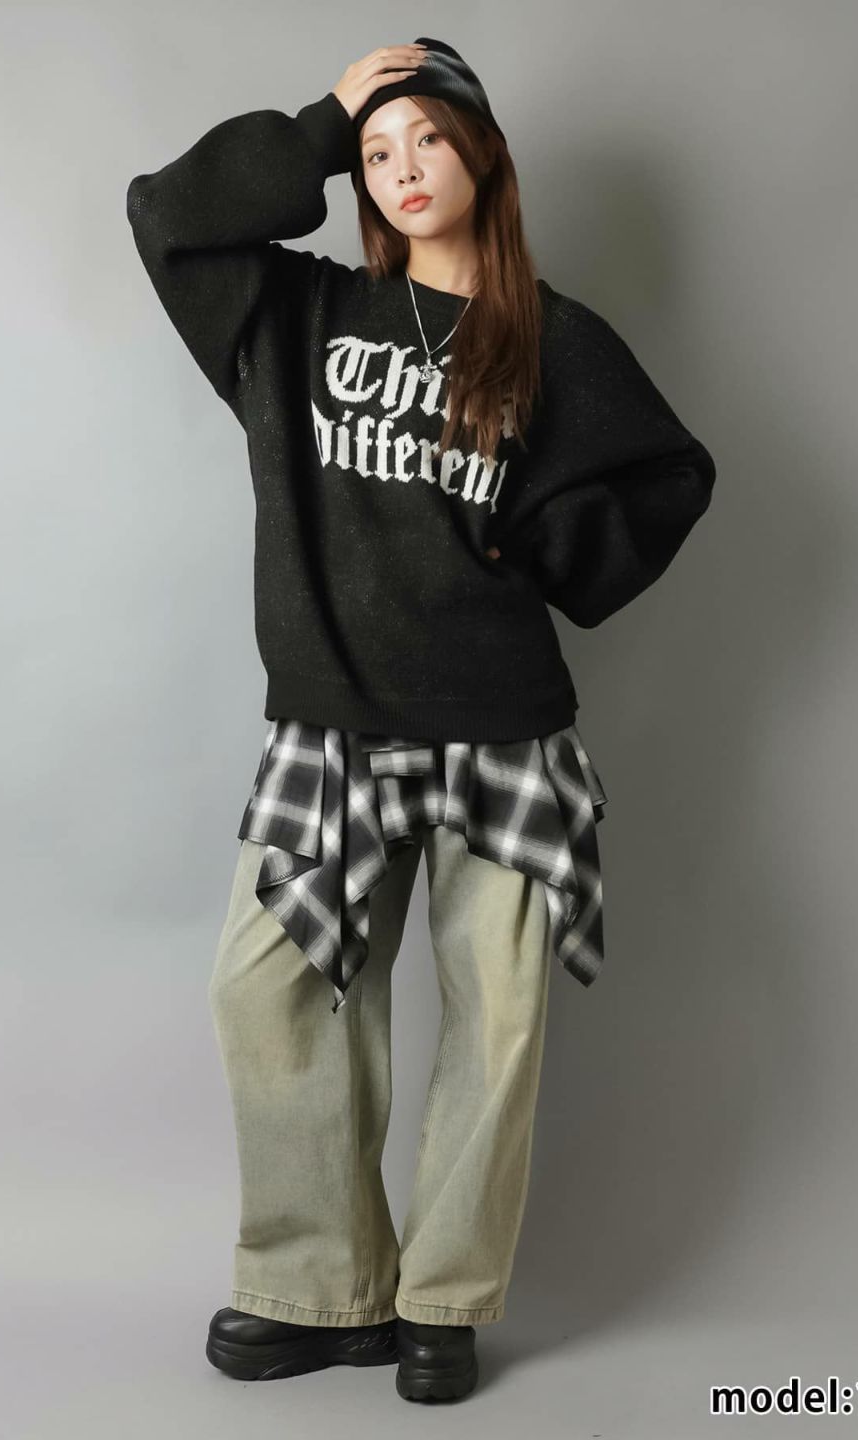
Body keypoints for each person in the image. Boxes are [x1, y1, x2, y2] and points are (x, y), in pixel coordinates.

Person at [126, 37, 716, 1403]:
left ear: (482, 158)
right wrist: (324, 120)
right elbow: (168, 215)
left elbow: (666, 479)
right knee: (269, 991)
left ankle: (443, 1303)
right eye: (376, 154)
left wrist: (545, 549)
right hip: (333, 726)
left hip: (500, 732)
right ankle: (320, 1291)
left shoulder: (551, 339)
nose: (399, 170)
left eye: (425, 141)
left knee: (494, 1020)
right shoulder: (296, 315)